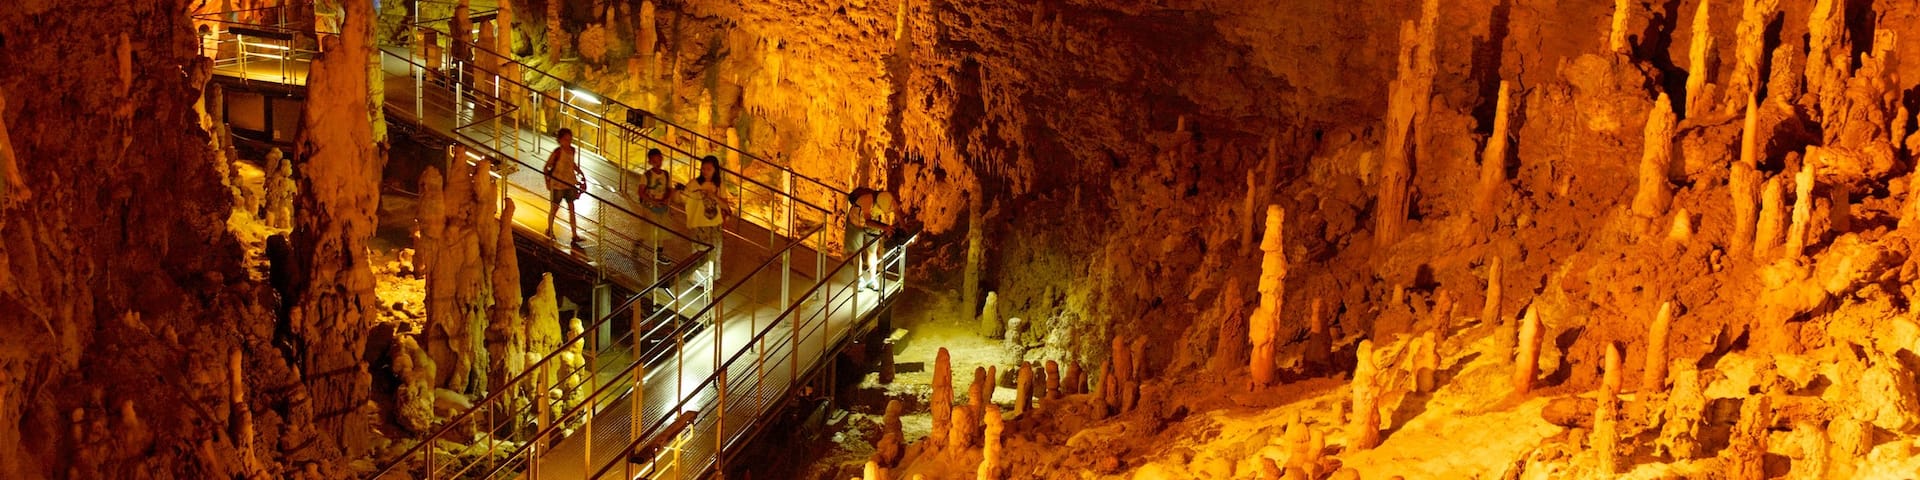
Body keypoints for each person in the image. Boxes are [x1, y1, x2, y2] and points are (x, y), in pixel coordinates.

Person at [683, 155, 729, 287]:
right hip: (700, 224)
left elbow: (726, 206)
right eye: (703, 168)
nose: (705, 171)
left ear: (715, 170)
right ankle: (699, 281)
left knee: (714, 254)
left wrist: (713, 196)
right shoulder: (694, 184)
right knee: (700, 253)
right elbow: (683, 198)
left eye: (708, 169)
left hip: (715, 225)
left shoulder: (719, 186)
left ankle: (709, 281)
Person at [543, 128, 587, 248]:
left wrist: (581, 173)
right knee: (554, 208)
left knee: (572, 208)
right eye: (566, 139)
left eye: (570, 139)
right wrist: (547, 182)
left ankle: (574, 235)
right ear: (560, 140)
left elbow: (571, 164)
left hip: (569, 183)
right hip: (557, 185)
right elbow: (546, 167)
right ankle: (550, 229)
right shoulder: (557, 152)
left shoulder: (572, 150)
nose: (568, 142)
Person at [846, 187, 896, 291]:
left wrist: (905, 227)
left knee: (872, 252)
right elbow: (868, 221)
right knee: (857, 253)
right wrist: (885, 227)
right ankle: (859, 279)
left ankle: (873, 279)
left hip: (872, 224)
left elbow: (898, 211)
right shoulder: (866, 200)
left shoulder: (886, 199)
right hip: (856, 223)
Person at [636, 148, 675, 265]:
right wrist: (652, 201)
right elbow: (641, 192)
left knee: (661, 230)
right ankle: (642, 243)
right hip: (650, 207)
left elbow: (669, 189)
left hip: (662, 206)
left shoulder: (666, 175)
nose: (657, 163)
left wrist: (667, 200)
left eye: (658, 160)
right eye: (654, 161)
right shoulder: (646, 175)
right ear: (650, 162)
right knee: (652, 229)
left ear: (662, 159)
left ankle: (658, 254)